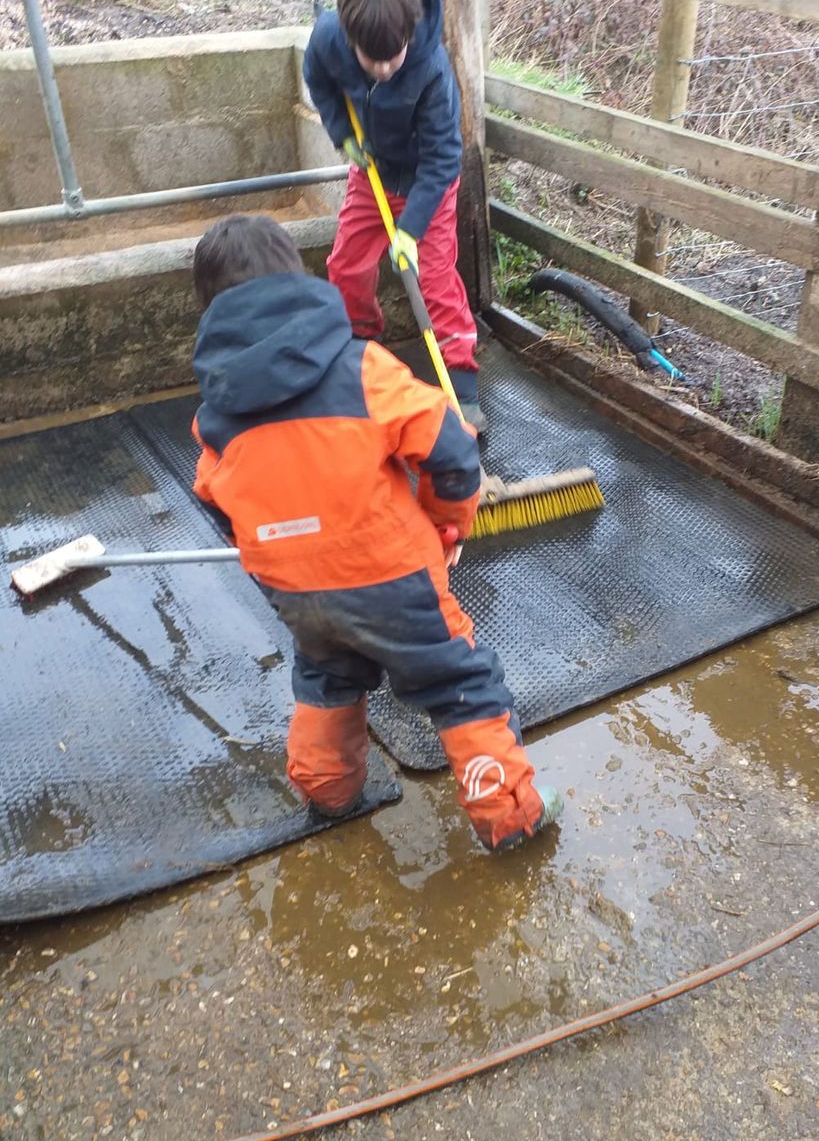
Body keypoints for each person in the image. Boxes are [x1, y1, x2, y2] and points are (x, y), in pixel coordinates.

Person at [189, 214, 562, 851]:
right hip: (394, 577)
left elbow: (218, 501)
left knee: (326, 676)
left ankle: (328, 794)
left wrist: (275, 559)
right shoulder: (362, 367)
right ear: (298, 283)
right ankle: (507, 813)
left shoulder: (216, 413)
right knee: (458, 680)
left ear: (211, 310)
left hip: (296, 589)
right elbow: (448, 451)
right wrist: (448, 522)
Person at [302, 0, 485, 432]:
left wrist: (411, 229)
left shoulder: (431, 69)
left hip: (429, 183)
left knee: (436, 279)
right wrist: (342, 135)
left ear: (409, 32)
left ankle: (460, 381)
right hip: (374, 174)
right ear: (349, 37)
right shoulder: (328, 38)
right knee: (347, 265)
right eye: (372, 59)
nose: (384, 69)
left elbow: (444, 158)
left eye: (393, 56)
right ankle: (362, 344)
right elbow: (319, 80)